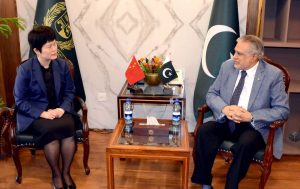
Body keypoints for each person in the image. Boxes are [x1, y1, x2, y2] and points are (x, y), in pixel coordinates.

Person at [191, 35, 289, 189]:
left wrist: (251, 116)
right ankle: (205, 183)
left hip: (253, 127)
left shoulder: (273, 75)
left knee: (245, 144)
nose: (234, 57)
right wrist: (225, 108)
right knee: (205, 131)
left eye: (239, 54)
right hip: (226, 120)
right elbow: (211, 94)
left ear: (254, 57)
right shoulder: (227, 66)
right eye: (235, 52)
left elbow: (282, 110)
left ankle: (231, 185)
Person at [14, 26, 78, 189]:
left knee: (69, 128)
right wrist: (42, 113)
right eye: (49, 46)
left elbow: (70, 92)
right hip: (36, 116)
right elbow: (20, 100)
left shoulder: (62, 66)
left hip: (58, 111)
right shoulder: (25, 69)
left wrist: (61, 109)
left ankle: (66, 173)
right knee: (50, 132)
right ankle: (56, 175)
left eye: (55, 44)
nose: (54, 49)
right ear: (36, 50)